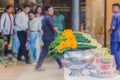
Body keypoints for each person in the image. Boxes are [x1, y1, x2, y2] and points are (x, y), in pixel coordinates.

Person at [35, 4, 63, 71]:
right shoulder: (48, 18)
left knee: (53, 51)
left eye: (52, 10)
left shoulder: (45, 18)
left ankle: (60, 64)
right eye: (50, 10)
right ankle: (38, 66)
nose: (52, 11)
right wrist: (60, 34)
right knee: (45, 52)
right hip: (48, 38)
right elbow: (54, 27)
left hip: (47, 37)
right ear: (46, 11)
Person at [108, 3, 120, 71]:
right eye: (112, 8)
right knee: (119, 52)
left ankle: (119, 67)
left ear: (118, 8)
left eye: (113, 8)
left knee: (114, 52)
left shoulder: (115, 16)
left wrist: (108, 30)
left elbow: (113, 27)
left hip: (115, 36)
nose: (112, 9)